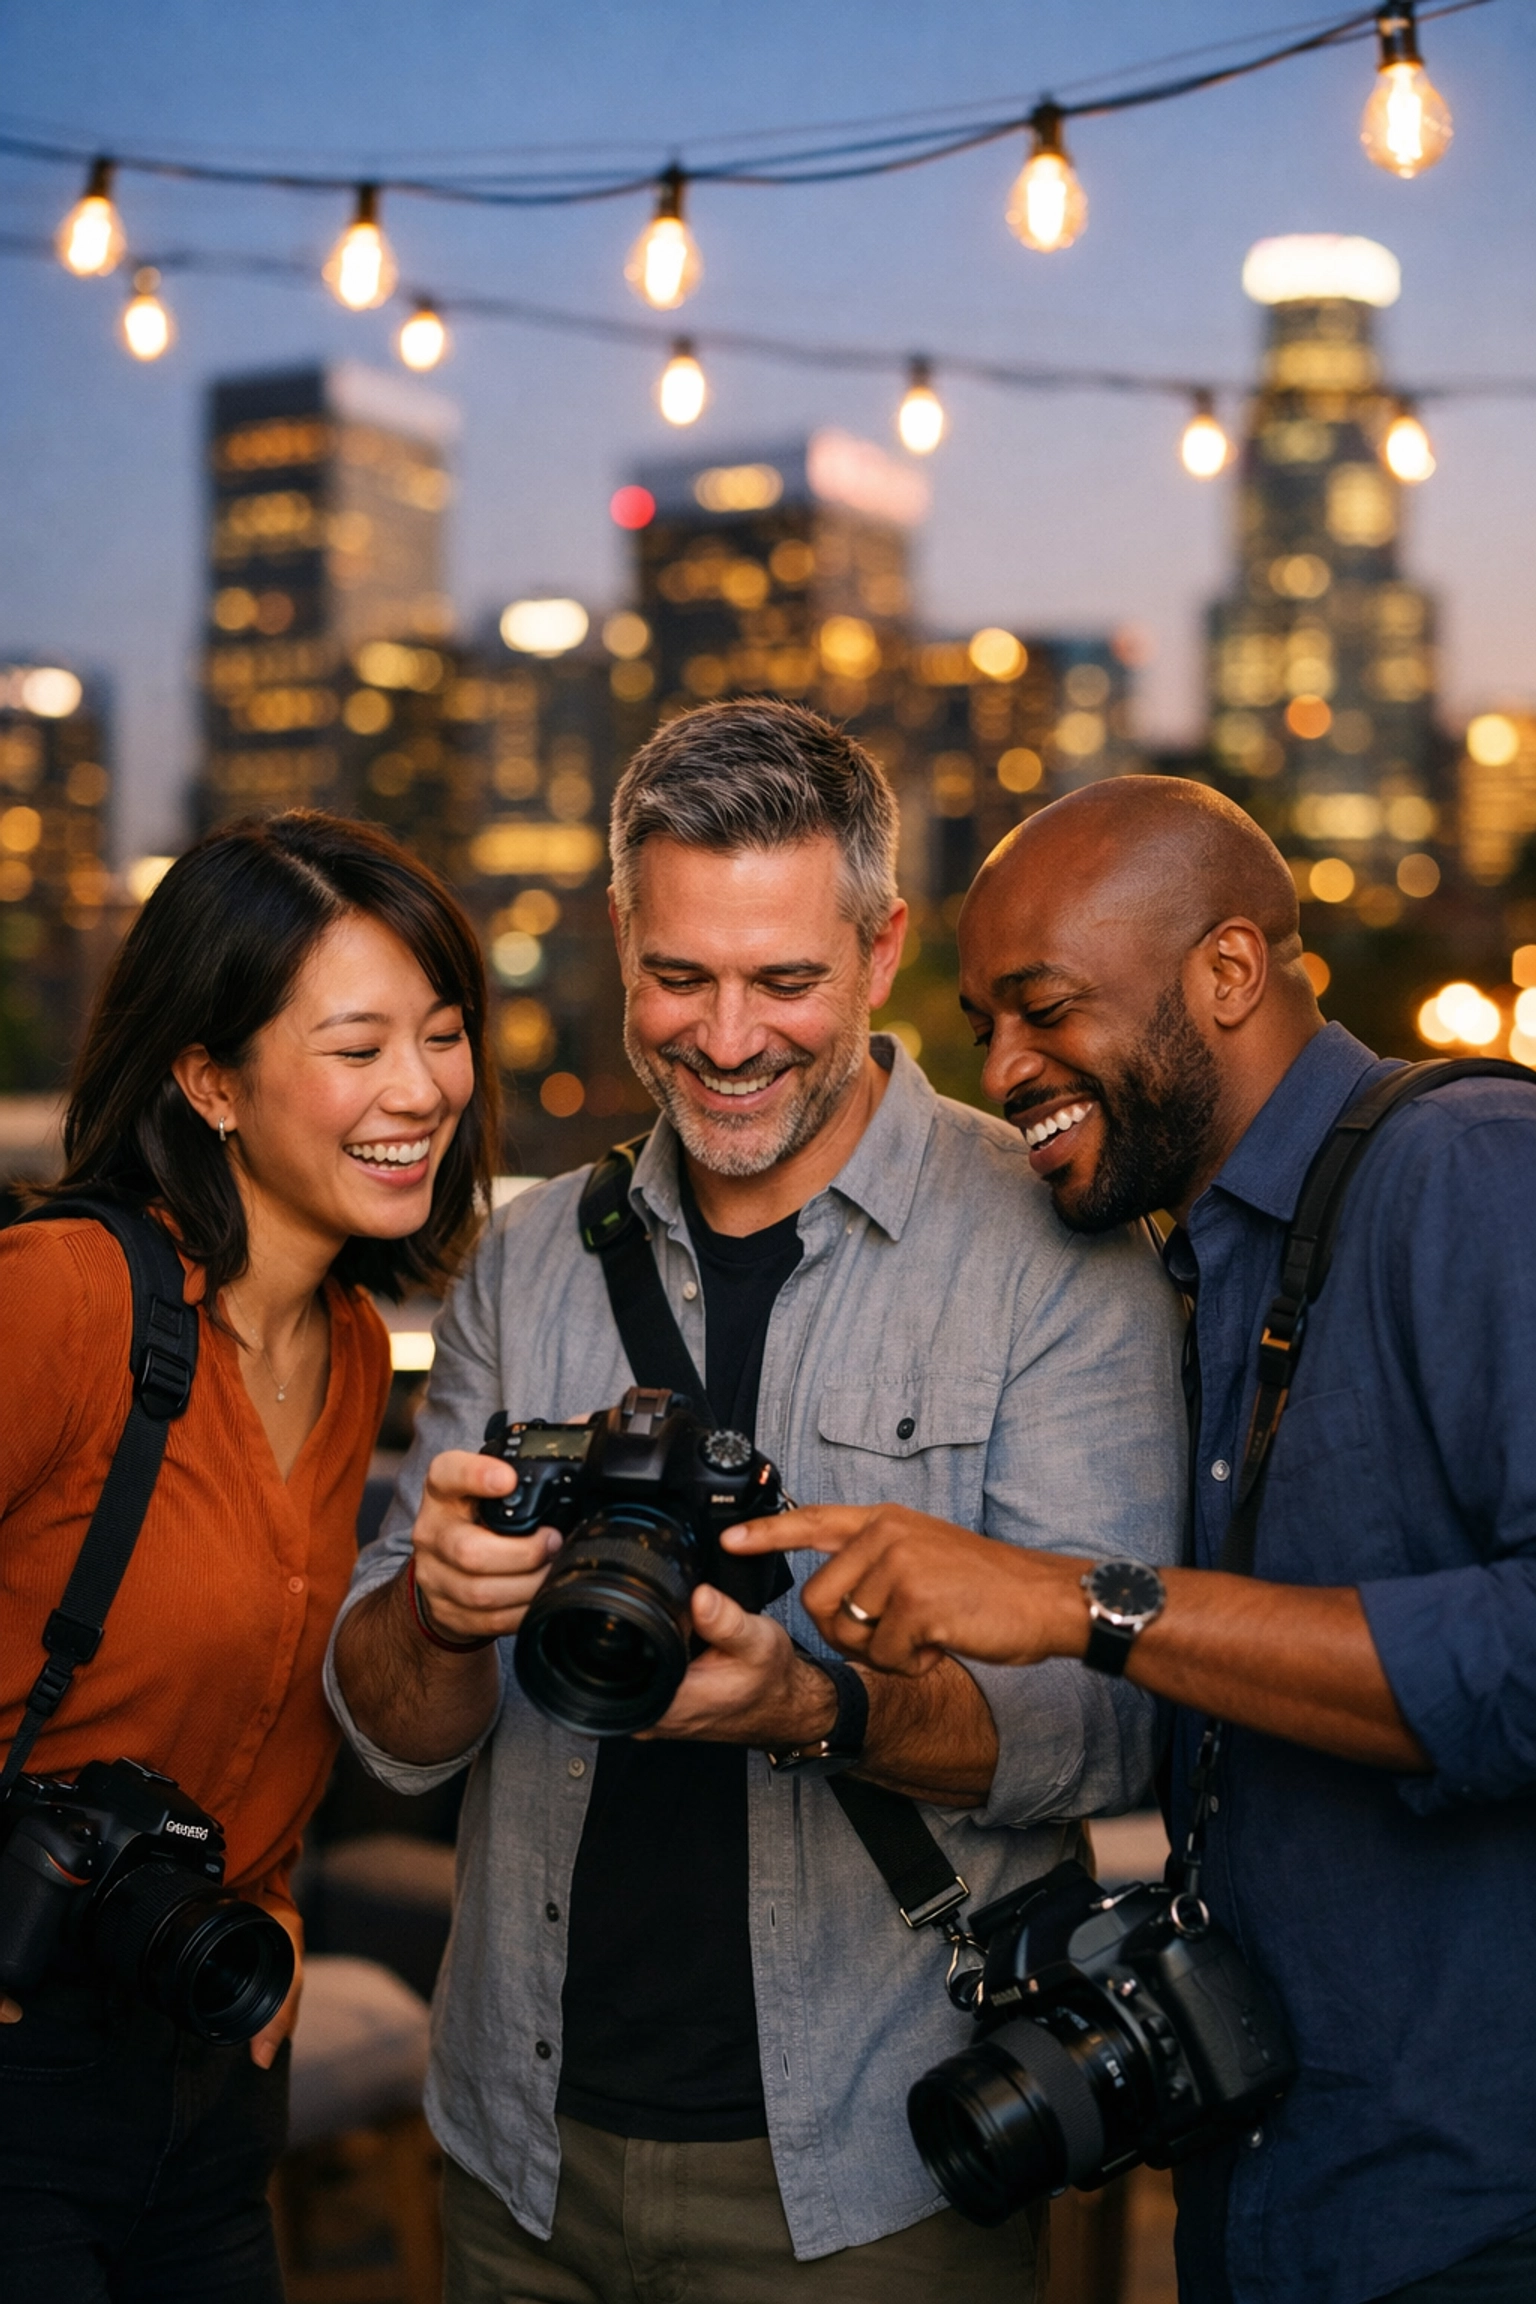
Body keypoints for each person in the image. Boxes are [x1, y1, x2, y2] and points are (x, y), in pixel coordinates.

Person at [328, 697, 1187, 2303]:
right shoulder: (528, 1255)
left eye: (785, 981)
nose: (726, 1040)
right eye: (680, 977)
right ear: (619, 941)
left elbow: (1118, 1724)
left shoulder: (1053, 1253)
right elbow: (394, 1737)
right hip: (518, 2148)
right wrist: (438, 1615)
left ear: (880, 951)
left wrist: (816, 1704)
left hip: (879, 2171)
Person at [726, 775, 1536, 2304]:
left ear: (1228, 971)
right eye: (988, 1027)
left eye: (1045, 1011)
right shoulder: (1203, 1270)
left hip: (1474, 2214)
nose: (1004, 1071)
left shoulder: (1473, 1164)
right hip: (1282, 2206)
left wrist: (1080, 1604)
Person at [0, 810, 495, 2302]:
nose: (422, 1089)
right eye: (358, 1047)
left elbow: (270, 1705)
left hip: (208, 2041)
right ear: (210, 1080)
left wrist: (267, 1896)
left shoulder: (352, 1350)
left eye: (445, 1035)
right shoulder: (63, 1297)